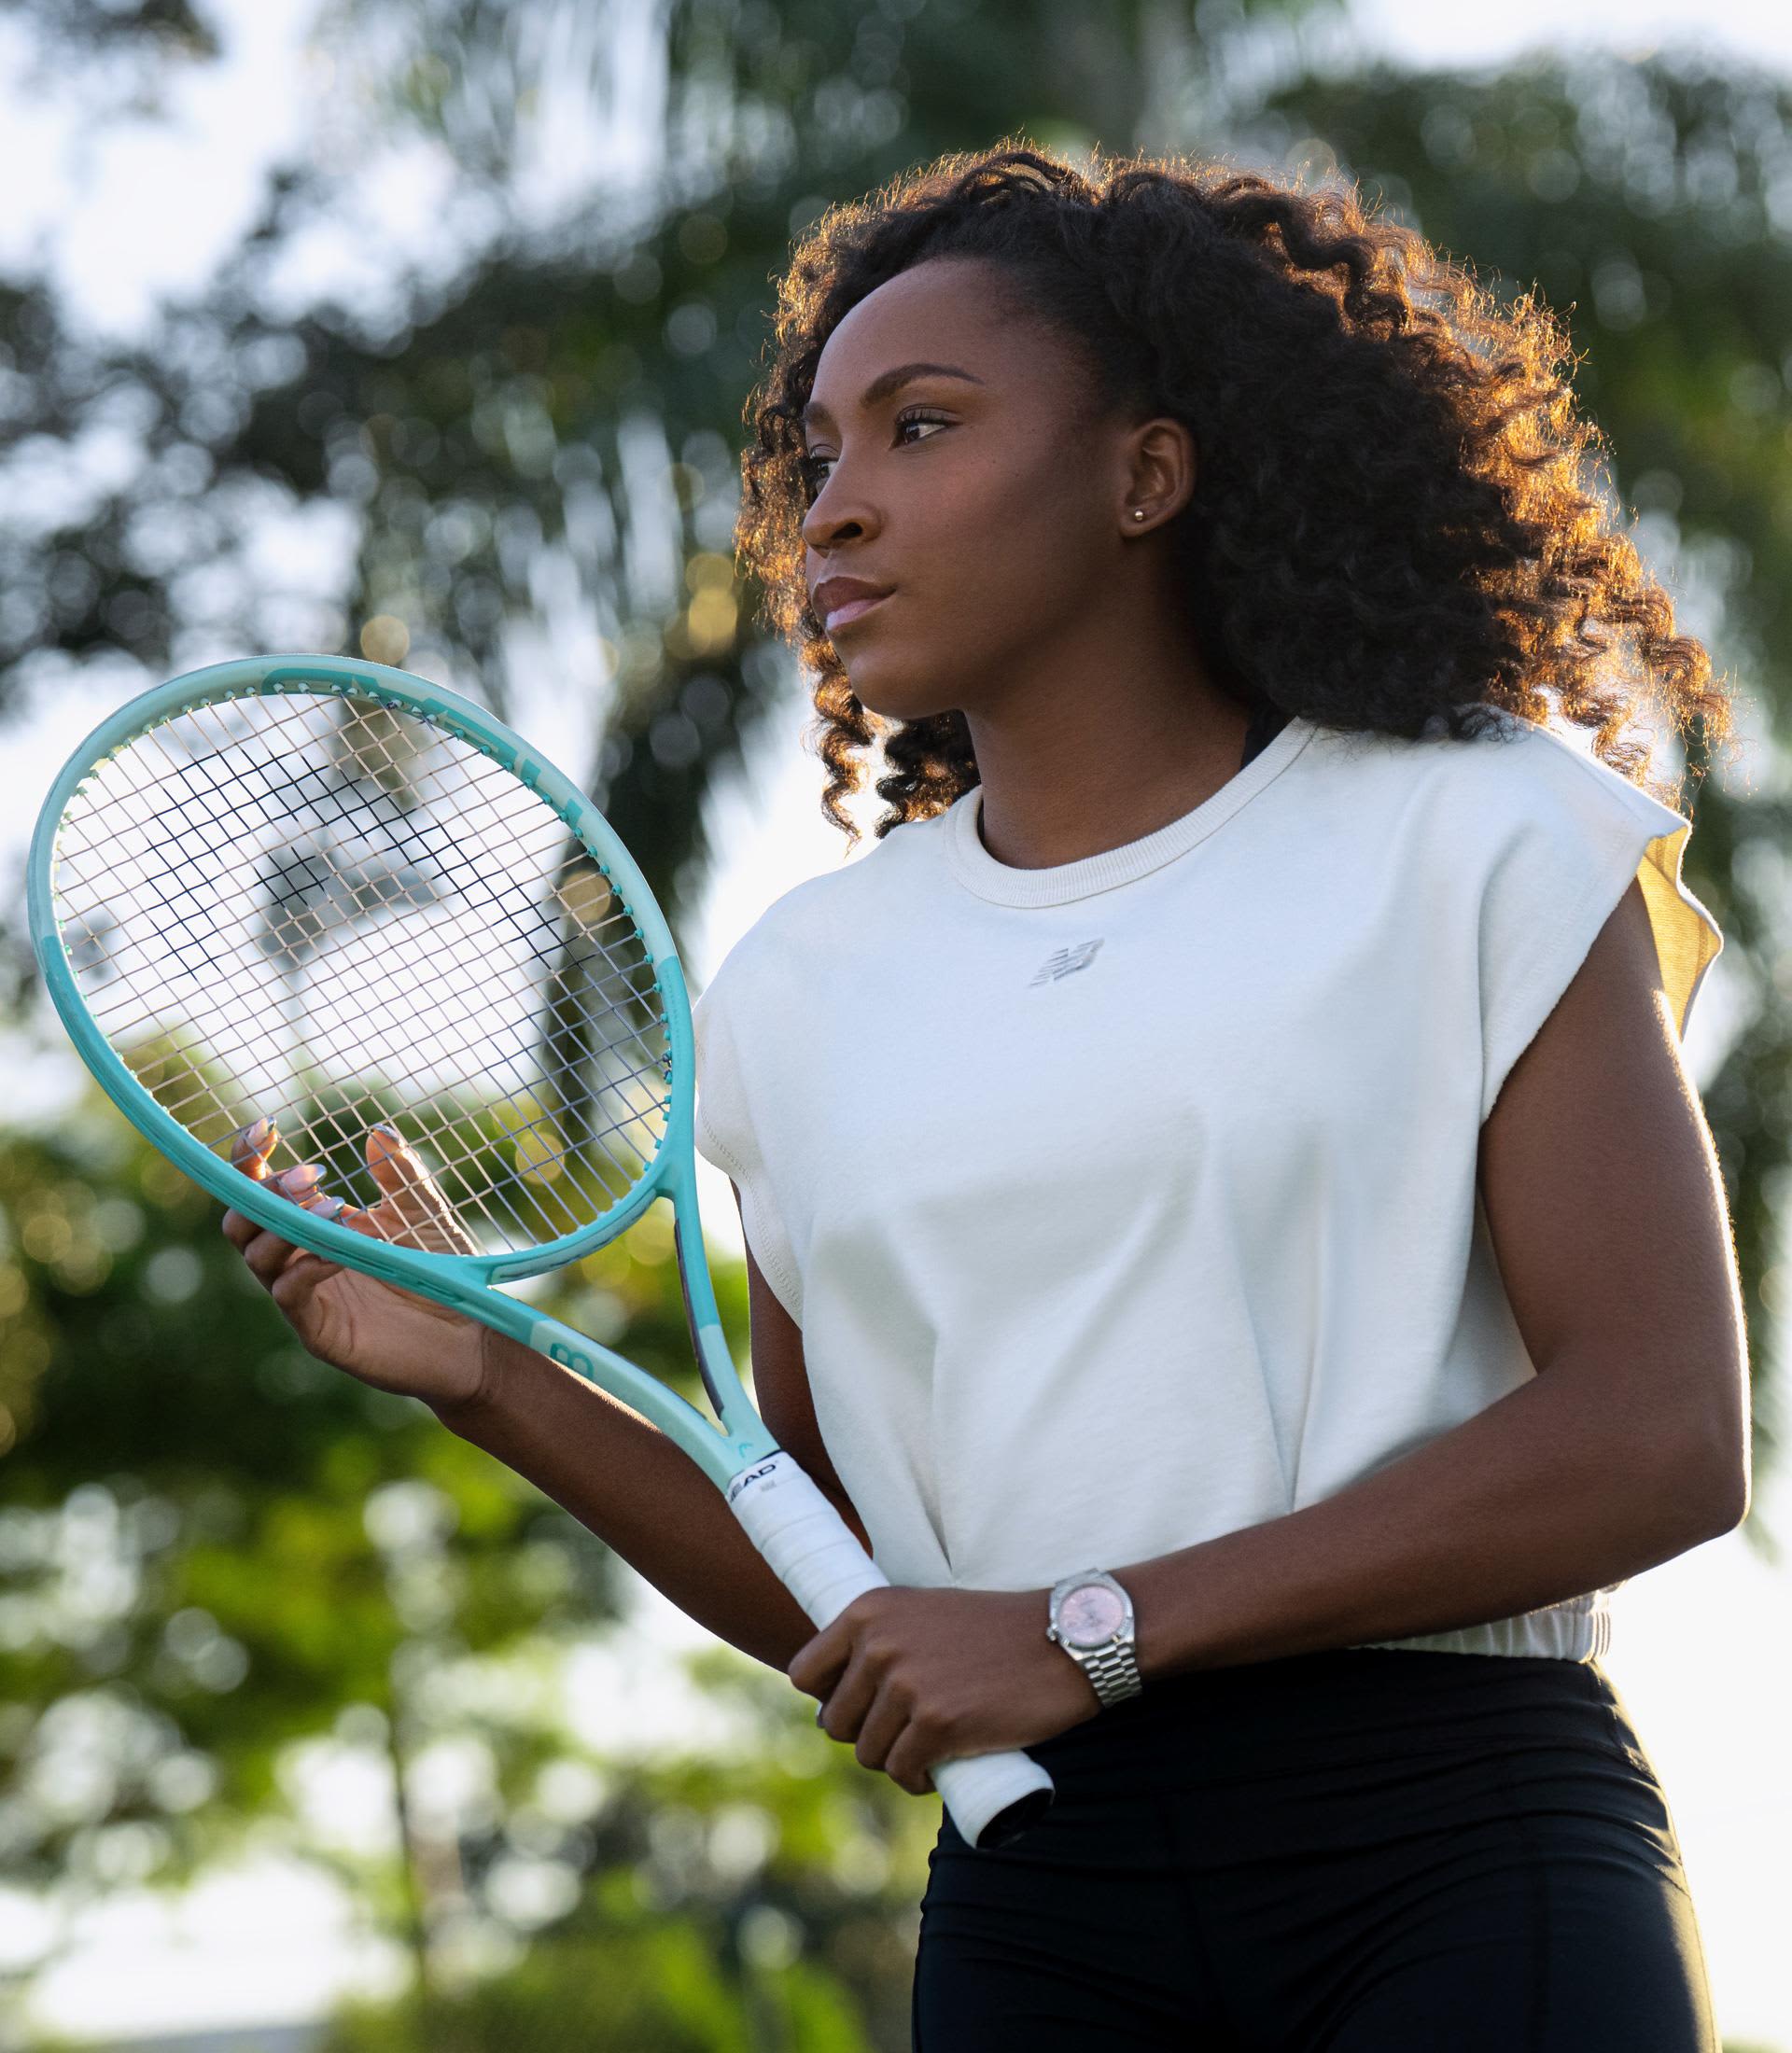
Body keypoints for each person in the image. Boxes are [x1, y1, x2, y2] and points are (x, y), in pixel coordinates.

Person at [223, 143, 1752, 2049]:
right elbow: (844, 1580)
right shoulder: (805, 986)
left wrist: (1080, 1632)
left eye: (922, 426)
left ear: (1145, 473)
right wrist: (486, 1372)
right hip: (1040, 1897)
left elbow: (1660, 1432)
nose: (836, 509)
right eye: (819, 459)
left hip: (1452, 1849)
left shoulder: (1479, 833)